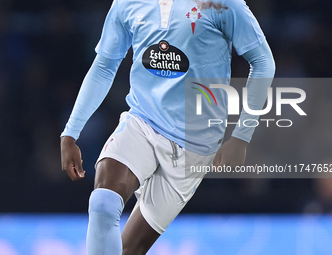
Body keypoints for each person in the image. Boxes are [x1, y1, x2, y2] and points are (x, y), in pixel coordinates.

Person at [60, 0, 275, 254]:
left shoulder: (222, 3)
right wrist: (70, 132)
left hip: (196, 144)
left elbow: (263, 62)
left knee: (129, 249)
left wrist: (241, 136)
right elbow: (105, 65)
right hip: (143, 120)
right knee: (103, 203)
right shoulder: (126, 3)